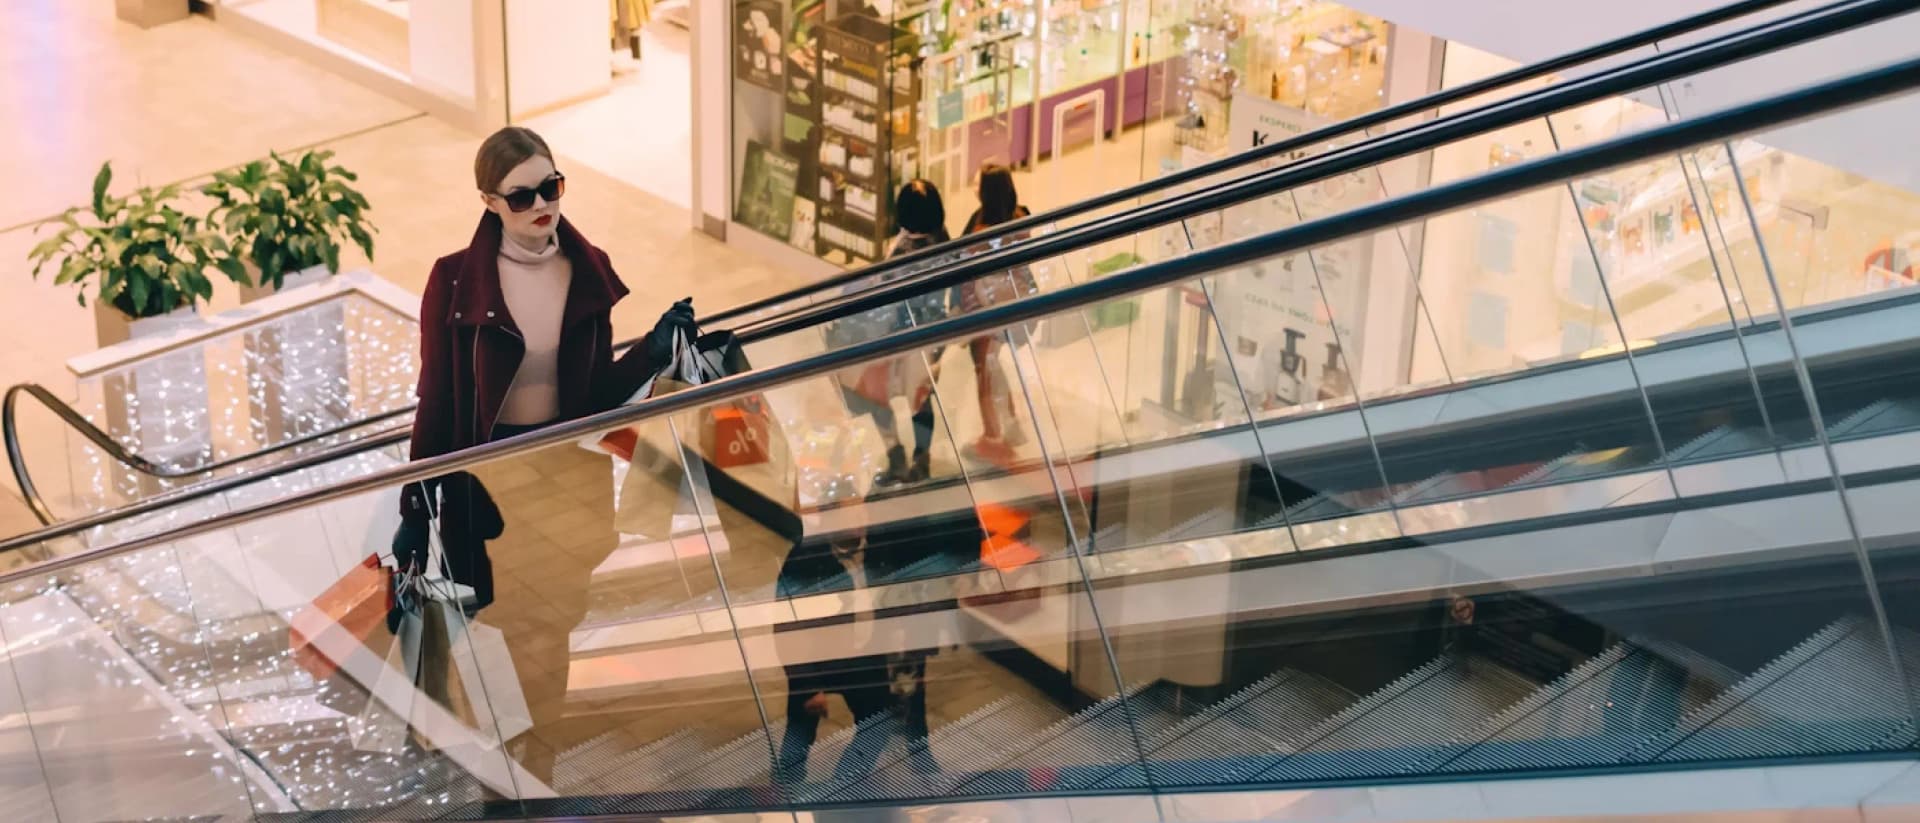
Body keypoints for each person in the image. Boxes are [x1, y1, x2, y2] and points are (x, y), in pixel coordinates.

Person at [392, 126, 695, 782]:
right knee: (496, 631)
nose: (542, 205)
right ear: (489, 201)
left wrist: (652, 349)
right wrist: (415, 506)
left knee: (551, 634)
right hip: (485, 489)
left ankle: (539, 766)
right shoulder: (452, 284)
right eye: (522, 194)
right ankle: (499, 767)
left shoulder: (583, 274)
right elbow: (437, 403)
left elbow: (593, 399)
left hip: (561, 482)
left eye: (551, 187)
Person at [830, 178, 952, 486]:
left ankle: (899, 454)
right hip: (920, 337)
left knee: (876, 394)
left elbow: (895, 298)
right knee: (918, 400)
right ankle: (914, 458)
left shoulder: (911, 252)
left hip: (900, 338)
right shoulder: (942, 241)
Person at [956, 164, 1036, 465]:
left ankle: (993, 437)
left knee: (984, 373)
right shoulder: (1020, 218)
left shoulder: (982, 233)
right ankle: (1011, 423)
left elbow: (962, 264)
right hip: (1013, 304)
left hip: (985, 309)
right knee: (993, 367)